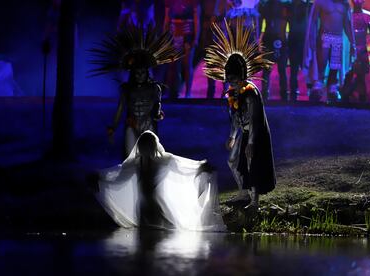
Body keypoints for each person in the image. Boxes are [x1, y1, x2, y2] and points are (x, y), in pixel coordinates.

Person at [204, 18, 276, 208]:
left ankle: (254, 201)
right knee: (232, 160)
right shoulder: (232, 94)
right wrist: (232, 137)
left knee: (253, 164)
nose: (232, 83)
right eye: (229, 80)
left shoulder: (251, 93)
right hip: (243, 133)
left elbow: (254, 119)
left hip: (256, 134)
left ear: (242, 76)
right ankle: (242, 192)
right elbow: (235, 118)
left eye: (235, 80)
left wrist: (251, 142)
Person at [96, 131, 226, 232]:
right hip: (144, 208)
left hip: (154, 205)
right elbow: (118, 177)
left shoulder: (161, 161)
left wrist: (200, 167)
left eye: (147, 146)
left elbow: (183, 167)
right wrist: (101, 179)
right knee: (153, 234)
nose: (146, 149)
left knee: (158, 233)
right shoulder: (136, 164)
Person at [89, 23, 181, 157]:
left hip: (148, 124)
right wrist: (113, 127)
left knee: (150, 158)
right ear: (132, 73)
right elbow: (120, 110)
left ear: (147, 73)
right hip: (131, 125)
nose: (140, 75)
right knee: (129, 158)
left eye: (143, 72)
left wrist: (158, 115)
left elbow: (157, 108)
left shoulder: (154, 88)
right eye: (137, 73)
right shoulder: (126, 89)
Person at [304, 0, 356, 102]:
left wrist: (353, 42)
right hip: (324, 36)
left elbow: (347, 24)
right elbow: (313, 22)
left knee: (335, 66)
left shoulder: (344, 4)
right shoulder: (320, 2)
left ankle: (332, 87)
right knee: (321, 63)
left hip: (338, 38)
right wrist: (312, 39)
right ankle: (318, 86)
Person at [341, 0, 370, 103]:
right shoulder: (347, 15)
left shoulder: (368, 16)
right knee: (348, 75)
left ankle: (361, 98)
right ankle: (345, 97)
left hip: (362, 50)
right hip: (348, 51)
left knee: (361, 76)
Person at [164, 0, 201, 98]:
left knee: (187, 65)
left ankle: (187, 93)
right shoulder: (170, 2)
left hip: (187, 36)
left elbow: (197, 20)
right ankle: (172, 91)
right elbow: (167, 19)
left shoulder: (193, 2)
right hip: (174, 36)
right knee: (172, 66)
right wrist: (164, 37)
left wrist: (196, 38)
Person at [258, 0, 291, 101]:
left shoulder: (284, 6)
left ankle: (283, 92)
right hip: (270, 39)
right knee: (270, 70)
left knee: (280, 69)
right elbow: (259, 22)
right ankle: (266, 92)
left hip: (279, 39)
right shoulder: (266, 5)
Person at [288, 0, 312, 102]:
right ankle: (307, 90)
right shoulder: (304, 6)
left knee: (300, 67)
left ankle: (298, 91)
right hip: (298, 40)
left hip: (300, 40)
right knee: (301, 67)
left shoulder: (305, 6)